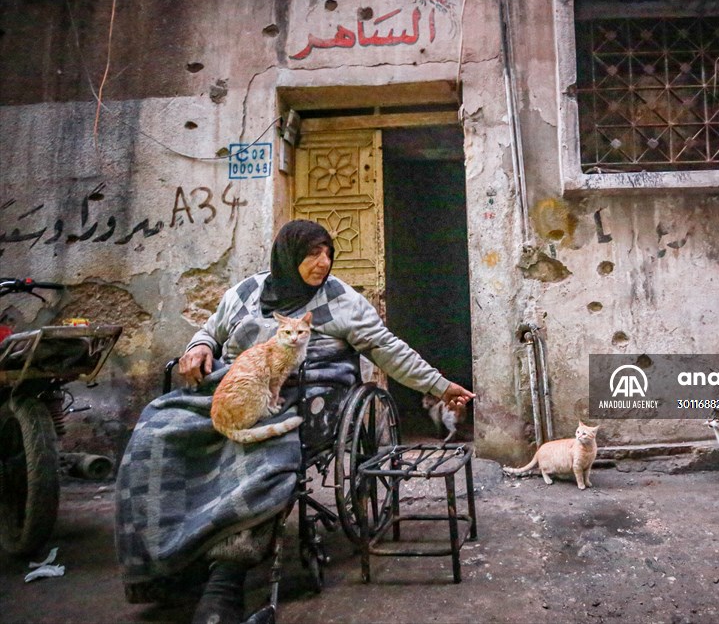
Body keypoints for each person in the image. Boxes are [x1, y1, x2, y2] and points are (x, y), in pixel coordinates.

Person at [116, 219, 474, 624]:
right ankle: (165, 562)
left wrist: (441, 386)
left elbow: (388, 350)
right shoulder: (247, 292)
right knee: (156, 432)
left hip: (301, 395)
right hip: (232, 386)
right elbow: (210, 331)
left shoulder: (342, 301)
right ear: (288, 255)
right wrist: (199, 346)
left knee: (255, 457)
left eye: (327, 253)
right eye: (311, 253)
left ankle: (225, 578)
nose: (323, 262)